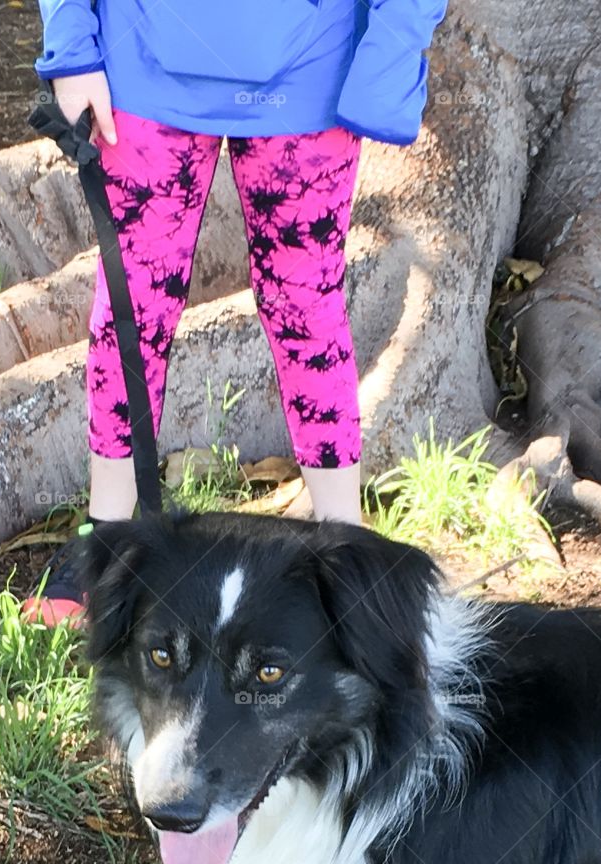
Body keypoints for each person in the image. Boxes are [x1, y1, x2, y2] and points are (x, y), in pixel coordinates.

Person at [23, 0, 447, 625]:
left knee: (306, 302)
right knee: (133, 301)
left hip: (313, 73)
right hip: (145, 63)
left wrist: (385, 61)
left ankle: (346, 552)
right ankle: (106, 541)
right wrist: (72, 47)